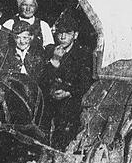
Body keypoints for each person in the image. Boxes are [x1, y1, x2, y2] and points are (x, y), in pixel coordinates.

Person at [39, 13, 93, 149]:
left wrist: (68, 92)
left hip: (71, 98)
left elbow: (85, 82)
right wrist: (55, 61)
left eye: (67, 33)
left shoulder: (83, 53)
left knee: (65, 123)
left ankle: (61, 151)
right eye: (60, 33)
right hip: (50, 96)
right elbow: (43, 79)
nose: (62, 37)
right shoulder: (50, 51)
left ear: (75, 35)